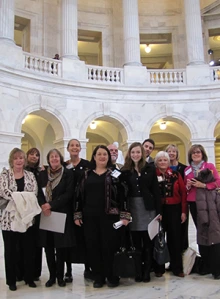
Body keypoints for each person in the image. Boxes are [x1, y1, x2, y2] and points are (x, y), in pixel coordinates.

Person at [74, 145, 130, 288]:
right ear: (94, 157)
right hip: (90, 217)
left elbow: (124, 194)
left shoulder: (115, 173)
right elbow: (78, 195)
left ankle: (111, 275)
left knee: (109, 246)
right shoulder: (86, 174)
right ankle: (98, 276)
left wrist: (124, 215)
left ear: (108, 157)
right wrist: (77, 214)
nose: (102, 157)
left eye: (105, 154)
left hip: (110, 217)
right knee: (93, 246)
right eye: (99, 154)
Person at [0, 148, 41, 291]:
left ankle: (29, 278)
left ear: (24, 161)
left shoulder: (30, 175)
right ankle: (11, 280)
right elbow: (4, 192)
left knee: (28, 249)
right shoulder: (5, 174)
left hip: (27, 218)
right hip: (9, 219)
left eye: (21, 158)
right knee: (10, 250)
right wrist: (23, 197)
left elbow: (33, 192)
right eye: (16, 158)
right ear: (12, 160)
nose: (19, 161)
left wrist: (18, 196)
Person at [121, 142, 161, 282]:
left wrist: (159, 211)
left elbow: (156, 190)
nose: (135, 155)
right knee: (136, 243)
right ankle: (137, 271)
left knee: (148, 242)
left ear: (142, 154)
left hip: (148, 208)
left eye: (138, 152)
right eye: (133, 152)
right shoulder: (125, 170)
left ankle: (146, 271)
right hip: (133, 209)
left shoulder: (150, 168)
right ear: (129, 154)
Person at [38, 149, 75, 287]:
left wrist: (51, 204)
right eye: (51, 156)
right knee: (48, 247)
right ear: (48, 159)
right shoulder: (42, 174)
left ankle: (60, 276)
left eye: (56, 156)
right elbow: (38, 192)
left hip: (61, 214)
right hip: (46, 214)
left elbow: (68, 194)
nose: (54, 159)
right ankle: (51, 276)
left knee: (60, 248)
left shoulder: (68, 174)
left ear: (60, 158)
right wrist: (43, 205)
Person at [184, 144, 220, 278]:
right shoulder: (187, 170)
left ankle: (217, 266)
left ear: (202, 153)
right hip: (194, 202)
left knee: (213, 232)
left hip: (209, 202)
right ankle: (207, 264)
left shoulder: (209, 167)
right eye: (193, 153)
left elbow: (218, 182)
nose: (196, 154)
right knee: (201, 232)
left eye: (198, 152)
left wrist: (204, 185)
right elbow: (185, 188)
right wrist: (188, 186)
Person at [155, 151, 187, 278]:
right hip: (159, 210)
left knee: (175, 239)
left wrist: (184, 211)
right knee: (159, 240)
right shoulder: (153, 175)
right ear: (156, 162)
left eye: (165, 160)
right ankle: (158, 268)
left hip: (174, 209)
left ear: (168, 162)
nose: (163, 162)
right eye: (160, 160)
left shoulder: (175, 174)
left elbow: (183, 193)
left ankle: (176, 267)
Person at [64, 139, 92, 282]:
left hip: (84, 206)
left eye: (77, 145)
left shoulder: (87, 165)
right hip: (67, 207)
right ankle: (68, 271)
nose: (74, 148)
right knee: (68, 239)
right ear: (68, 148)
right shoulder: (64, 166)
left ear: (80, 148)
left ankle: (88, 268)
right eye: (72, 145)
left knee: (85, 237)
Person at [165, 144, 188, 252]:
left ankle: (181, 254)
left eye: (174, 151)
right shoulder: (163, 168)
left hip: (180, 202)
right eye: (169, 151)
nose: (171, 153)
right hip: (167, 204)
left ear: (177, 154)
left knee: (181, 231)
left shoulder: (184, 168)